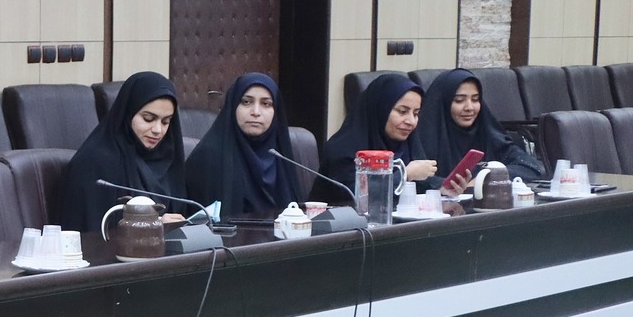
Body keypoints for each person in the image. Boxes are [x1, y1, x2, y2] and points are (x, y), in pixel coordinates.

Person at [60, 72, 187, 233]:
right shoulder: (95, 162)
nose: (158, 130)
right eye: (148, 119)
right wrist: (153, 226)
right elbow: (93, 233)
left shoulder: (167, 158)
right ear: (128, 114)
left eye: (166, 121)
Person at [185, 72, 300, 218]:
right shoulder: (208, 157)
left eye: (266, 104)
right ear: (233, 105)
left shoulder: (280, 154)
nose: (256, 112)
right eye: (246, 102)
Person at [416, 68, 544, 190]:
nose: (469, 107)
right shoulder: (422, 139)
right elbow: (415, 179)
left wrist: (486, 178)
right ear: (443, 102)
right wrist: (448, 186)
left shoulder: (487, 133)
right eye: (459, 100)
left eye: (475, 99)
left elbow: (530, 167)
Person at [318, 73, 434, 193]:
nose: (411, 121)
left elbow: (422, 181)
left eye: (415, 114)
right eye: (402, 111)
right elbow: (357, 194)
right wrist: (406, 174)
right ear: (380, 109)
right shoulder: (343, 149)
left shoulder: (407, 143)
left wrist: (442, 186)